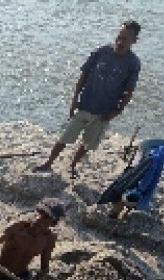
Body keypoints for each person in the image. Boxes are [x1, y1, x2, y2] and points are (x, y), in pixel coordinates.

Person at [34, 20, 142, 179]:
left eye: (125, 39)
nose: (120, 42)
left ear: (134, 41)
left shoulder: (133, 63)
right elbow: (83, 75)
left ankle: (72, 166)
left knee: (87, 143)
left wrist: (117, 111)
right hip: (84, 105)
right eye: (119, 37)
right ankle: (49, 163)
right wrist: (74, 100)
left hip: (103, 113)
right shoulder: (102, 52)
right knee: (65, 137)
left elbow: (129, 91)